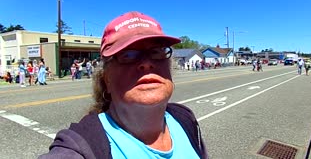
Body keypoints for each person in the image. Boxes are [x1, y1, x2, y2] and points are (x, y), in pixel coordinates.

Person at [39, 11, 207, 159]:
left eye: (156, 52)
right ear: (107, 79)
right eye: (128, 55)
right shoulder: (83, 145)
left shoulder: (184, 117)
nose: (147, 63)